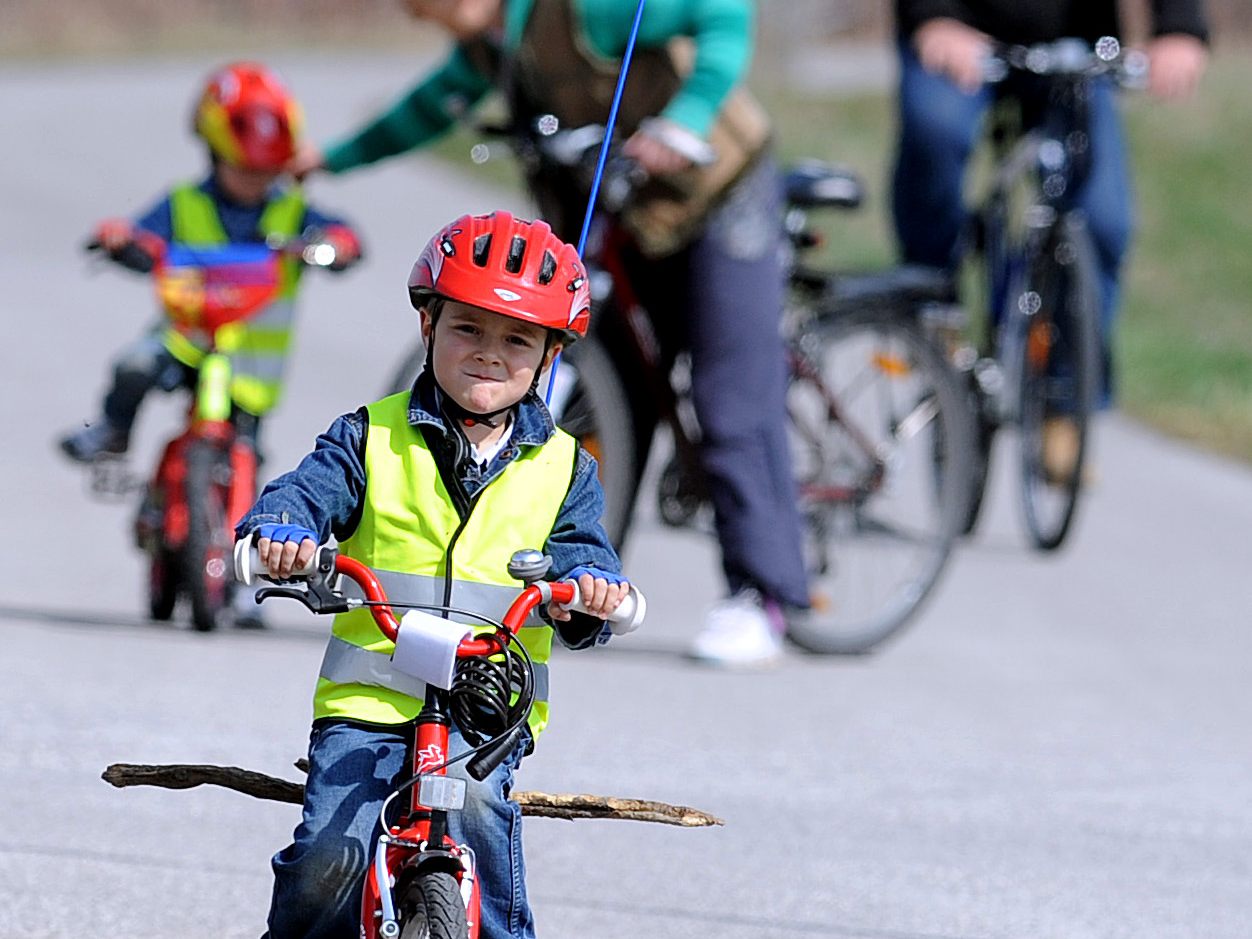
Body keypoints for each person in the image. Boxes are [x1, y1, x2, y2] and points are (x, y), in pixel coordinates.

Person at [286, 0, 810, 668]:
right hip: (631, 203)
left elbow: (723, 15)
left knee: (729, 391)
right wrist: (327, 161)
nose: (416, 14)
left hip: (718, 189)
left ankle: (761, 593)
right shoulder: (495, 43)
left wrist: (689, 116)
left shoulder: (588, 9)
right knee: (611, 382)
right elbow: (425, 111)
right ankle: (582, 577)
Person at [234, 210, 631, 939]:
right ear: (428, 326)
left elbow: (585, 554)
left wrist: (591, 592)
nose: (488, 354)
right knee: (328, 853)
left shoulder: (565, 467)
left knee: (479, 818)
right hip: (369, 703)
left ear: (550, 355)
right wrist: (283, 532)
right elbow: (305, 492)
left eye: (517, 340)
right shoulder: (369, 435)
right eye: (467, 329)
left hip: (486, 710)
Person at [890, 0, 1209, 475]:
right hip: (957, 30)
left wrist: (1179, 28)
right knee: (937, 134)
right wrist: (934, 18)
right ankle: (928, 316)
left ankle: (1065, 402)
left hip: (1072, 42)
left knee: (1101, 219)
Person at [59, 61, 363, 466]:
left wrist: (338, 245)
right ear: (216, 153)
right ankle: (113, 430)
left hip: (252, 366)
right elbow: (140, 238)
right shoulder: (184, 203)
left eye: (267, 172)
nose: (256, 181)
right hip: (185, 338)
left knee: (249, 459)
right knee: (134, 365)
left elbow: (341, 236)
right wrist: (121, 239)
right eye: (245, 170)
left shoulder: (292, 211)